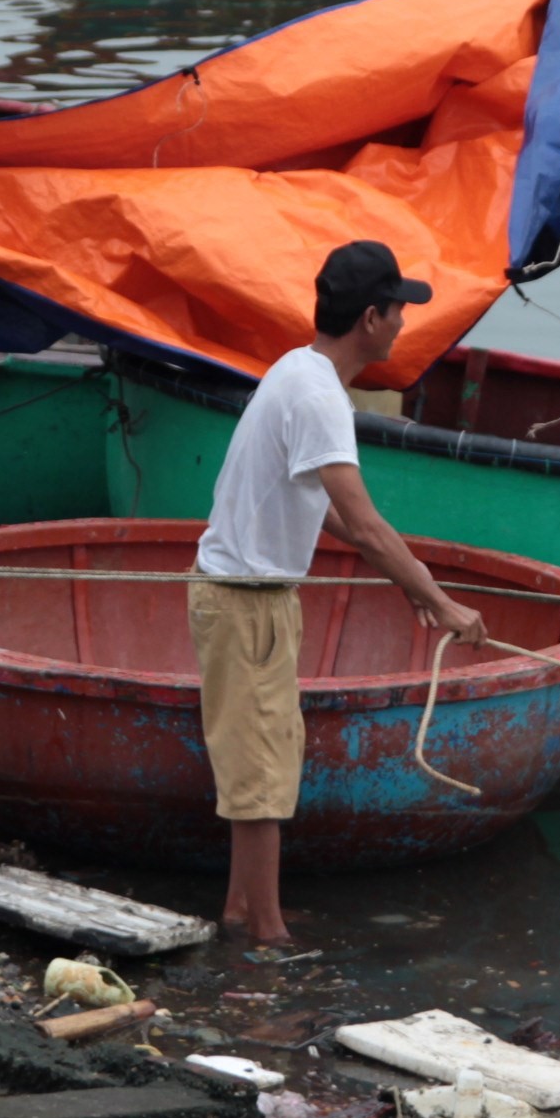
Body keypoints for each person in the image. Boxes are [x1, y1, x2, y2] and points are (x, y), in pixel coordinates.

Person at [191, 240, 487, 947]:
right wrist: (439, 602)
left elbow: (346, 522)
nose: (404, 324)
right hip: (244, 598)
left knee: (268, 755)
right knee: (260, 771)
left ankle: (243, 908)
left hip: (254, 596)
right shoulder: (320, 394)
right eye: (398, 311)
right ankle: (266, 934)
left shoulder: (297, 368)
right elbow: (363, 524)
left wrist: (412, 586)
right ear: (371, 320)